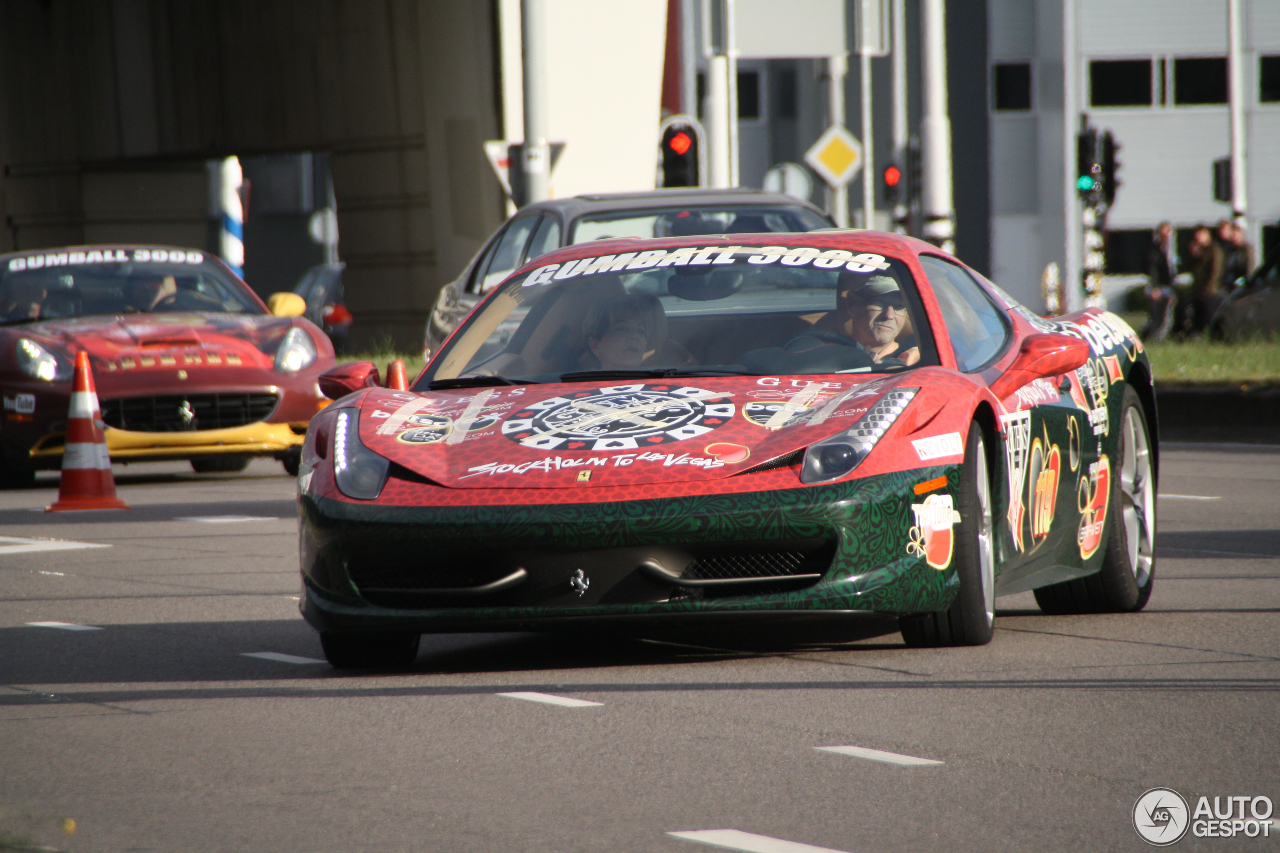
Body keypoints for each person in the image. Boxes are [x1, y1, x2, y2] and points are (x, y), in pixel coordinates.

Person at [580, 295, 660, 370]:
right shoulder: (581, 384)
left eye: (641, 331)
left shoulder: (661, 381)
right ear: (595, 345)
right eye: (621, 329)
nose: (635, 335)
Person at [1179, 225, 1224, 337]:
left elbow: (1215, 272)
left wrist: (1207, 289)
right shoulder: (1200, 252)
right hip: (1198, 291)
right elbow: (1191, 269)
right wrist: (1193, 255)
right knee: (1198, 319)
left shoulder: (1214, 250)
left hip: (1209, 292)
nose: (1198, 239)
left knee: (1209, 318)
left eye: (1200, 236)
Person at [1143, 222, 1178, 341]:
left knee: (1167, 317)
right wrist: (1154, 287)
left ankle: (1161, 337)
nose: (1166, 237)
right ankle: (1155, 339)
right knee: (1157, 317)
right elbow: (1152, 269)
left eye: (1168, 233)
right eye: (1163, 234)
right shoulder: (1154, 249)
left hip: (1170, 288)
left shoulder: (1173, 250)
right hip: (1159, 288)